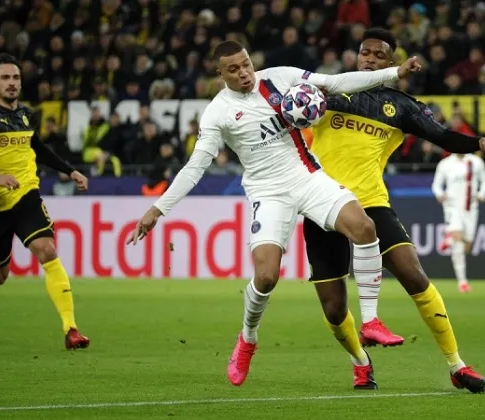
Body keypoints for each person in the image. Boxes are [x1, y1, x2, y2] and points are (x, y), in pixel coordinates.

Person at [127, 40, 422, 390]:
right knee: (266, 277)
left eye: (246, 64)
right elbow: (195, 167)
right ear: (220, 74)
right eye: (234, 69)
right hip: (267, 193)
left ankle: (370, 322)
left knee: (364, 227)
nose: (244, 73)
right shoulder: (217, 113)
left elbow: (336, 82)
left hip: (307, 177)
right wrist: (158, 209)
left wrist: (395, 72)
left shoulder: (279, 78)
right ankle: (248, 338)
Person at [305, 28, 485, 393]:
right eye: (365, 53)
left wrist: (478, 142)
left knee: (414, 275)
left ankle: (456, 365)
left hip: (372, 203)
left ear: (392, 63)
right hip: (322, 204)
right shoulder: (328, 92)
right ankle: (360, 362)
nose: (370, 59)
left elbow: (441, 135)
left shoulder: (401, 106)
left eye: (379, 55)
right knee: (334, 308)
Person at [0, 53, 90, 350]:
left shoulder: (26, 115)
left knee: (47, 249)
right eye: (5, 77)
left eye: (15, 77)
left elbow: (39, 148)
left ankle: (71, 329)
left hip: (25, 195)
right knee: (0, 276)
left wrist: (70, 170)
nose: (12, 83)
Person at [433, 153, 485, 293]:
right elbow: (436, 185)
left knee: (466, 245)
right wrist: (440, 195)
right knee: (458, 243)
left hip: (470, 208)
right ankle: (462, 282)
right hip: (452, 207)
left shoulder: (476, 161)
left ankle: (449, 239)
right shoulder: (445, 164)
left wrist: (482, 194)